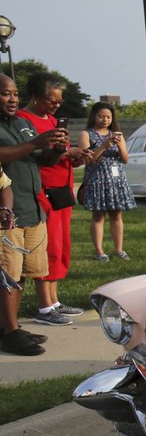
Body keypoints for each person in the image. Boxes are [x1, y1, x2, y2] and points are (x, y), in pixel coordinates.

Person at [0, 74, 70, 355]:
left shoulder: (23, 123)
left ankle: (10, 326)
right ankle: (10, 332)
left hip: (32, 208)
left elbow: (41, 159)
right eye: (6, 94)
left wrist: (57, 149)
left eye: (15, 94)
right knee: (7, 275)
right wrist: (34, 143)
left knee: (23, 273)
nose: (13, 99)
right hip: (7, 214)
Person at [17, 72, 89, 325]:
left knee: (61, 246)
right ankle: (44, 306)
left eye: (59, 101)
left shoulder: (52, 120)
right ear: (36, 96)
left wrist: (72, 155)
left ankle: (54, 300)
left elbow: (56, 153)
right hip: (42, 191)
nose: (56, 105)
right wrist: (63, 154)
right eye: (51, 100)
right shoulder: (23, 122)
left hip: (61, 190)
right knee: (47, 248)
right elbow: (37, 156)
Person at [79, 102, 136, 261]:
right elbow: (88, 159)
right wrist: (104, 145)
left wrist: (120, 145)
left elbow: (125, 159)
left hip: (116, 180)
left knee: (116, 215)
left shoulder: (117, 134)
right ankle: (99, 251)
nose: (105, 120)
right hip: (97, 180)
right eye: (101, 116)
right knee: (98, 216)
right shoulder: (86, 134)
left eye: (108, 117)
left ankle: (119, 249)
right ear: (94, 116)